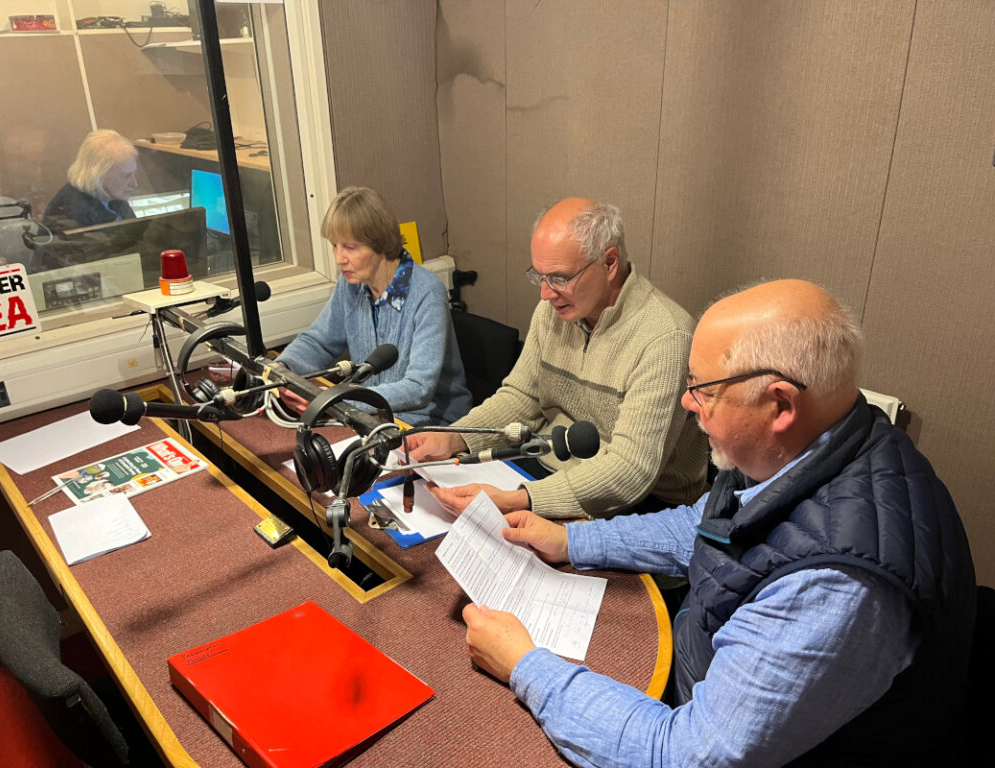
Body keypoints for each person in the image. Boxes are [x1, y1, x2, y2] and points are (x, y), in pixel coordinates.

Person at [460, 279, 976, 767]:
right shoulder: (807, 442)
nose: (687, 403)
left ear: (779, 404)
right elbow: (706, 525)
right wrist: (571, 539)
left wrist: (525, 665)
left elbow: (683, 754)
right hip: (702, 662)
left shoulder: (834, 588)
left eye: (702, 389)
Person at [407, 197, 707, 519]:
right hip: (551, 464)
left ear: (609, 263)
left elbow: (631, 469)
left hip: (644, 501)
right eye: (539, 276)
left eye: (560, 278)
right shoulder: (554, 310)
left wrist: (523, 499)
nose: (545, 294)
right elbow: (522, 397)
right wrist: (455, 438)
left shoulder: (666, 338)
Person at [276, 186, 472, 426]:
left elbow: (419, 388)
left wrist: (339, 401)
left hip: (430, 422)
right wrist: (281, 370)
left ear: (380, 243)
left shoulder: (427, 293)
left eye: (350, 247)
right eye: (335, 246)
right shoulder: (350, 284)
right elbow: (319, 342)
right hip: (373, 415)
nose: (339, 258)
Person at [43, 129, 138, 232]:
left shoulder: (111, 195)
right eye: (125, 176)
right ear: (99, 173)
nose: (134, 184)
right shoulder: (77, 212)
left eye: (133, 174)